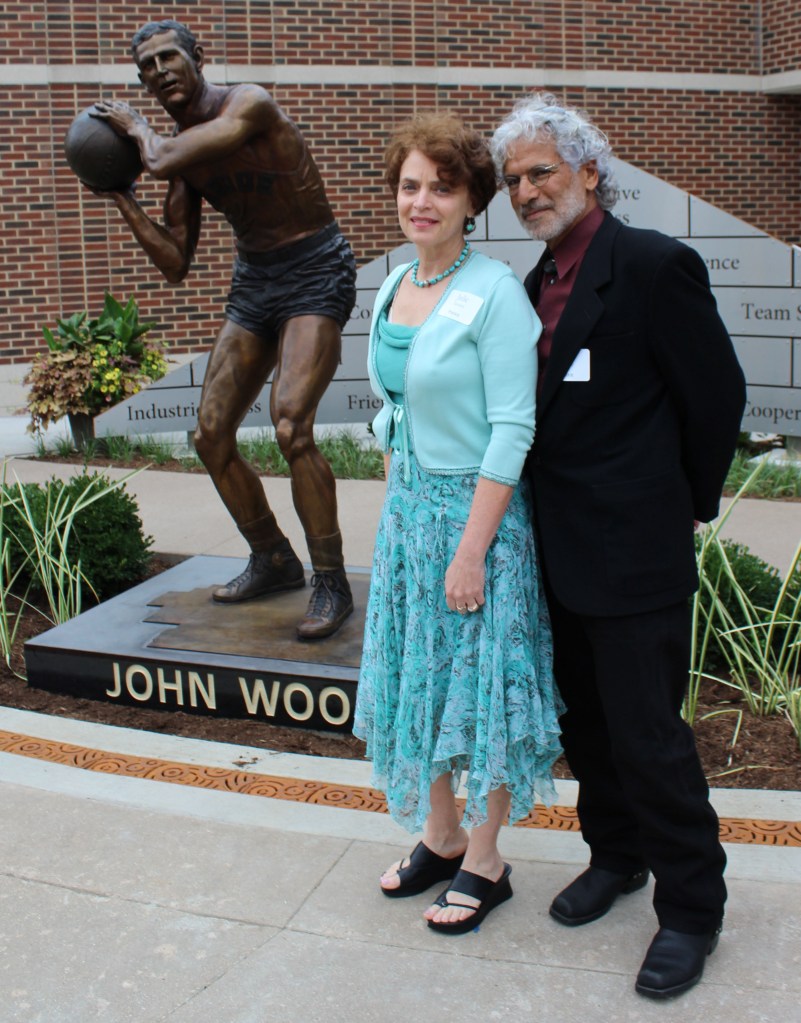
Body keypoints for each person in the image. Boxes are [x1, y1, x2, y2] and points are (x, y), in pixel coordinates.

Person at [490, 94, 746, 997]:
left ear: (588, 172)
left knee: (647, 735)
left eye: (540, 172)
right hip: (555, 550)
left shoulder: (650, 265)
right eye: (513, 179)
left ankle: (690, 908)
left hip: (634, 549)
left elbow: (714, 395)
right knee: (585, 726)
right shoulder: (532, 285)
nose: (524, 190)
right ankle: (615, 856)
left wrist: (688, 501)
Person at [353, 111, 563, 935]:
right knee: (418, 677)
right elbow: (392, 401)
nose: (422, 201)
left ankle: (485, 859)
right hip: (408, 518)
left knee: (481, 689)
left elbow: (512, 426)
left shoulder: (493, 294)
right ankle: (438, 837)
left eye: (441, 187)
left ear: (471, 199)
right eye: (409, 186)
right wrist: (392, 461)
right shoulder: (396, 285)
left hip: (477, 523)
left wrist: (472, 548)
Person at [92, 19, 357, 640]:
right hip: (256, 281)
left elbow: (155, 152)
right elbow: (175, 263)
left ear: (197, 58)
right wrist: (122, 194)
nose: (159, 73)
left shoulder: (248, 103)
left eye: (167, 58)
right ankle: (272, 558)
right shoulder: (183, 162)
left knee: (291, 424)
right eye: (147, 68)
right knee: (210, 435)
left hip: (315, 270)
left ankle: (331, 580)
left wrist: (133, 127)